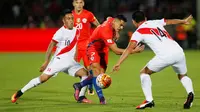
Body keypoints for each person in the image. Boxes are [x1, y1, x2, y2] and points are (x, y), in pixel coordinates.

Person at [112, 11, 194, 109]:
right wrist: (183, 21)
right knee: (182, 75)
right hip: (179, 51)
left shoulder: (138, 32)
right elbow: (170, 21)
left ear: (134, 22)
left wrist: (118, 63)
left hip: (165, 55)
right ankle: (190, 93)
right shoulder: (155, 22)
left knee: (144, 72)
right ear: (145, 18)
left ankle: (149, 100)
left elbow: (129, 49)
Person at [11, 9, 91, 103]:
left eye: (72, 18)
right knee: (43, 79)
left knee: (86, 74)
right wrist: (46, 61)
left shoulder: (77, 30)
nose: (70, 20)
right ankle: (19, 93)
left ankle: (81, 97)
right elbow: (50, 46)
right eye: (68, 18)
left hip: (70, 62)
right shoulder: (60, 32)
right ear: (64, 21)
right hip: (59, 61)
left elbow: (76, 43)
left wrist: (76, 56)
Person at [72, 15, 145, 104]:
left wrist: (116, 31)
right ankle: (102, 99)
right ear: (115, 22)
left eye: (123, 26)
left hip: (103, 50)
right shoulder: (105, 30)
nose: (121, 27)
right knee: (96, 71)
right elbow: (116, 51)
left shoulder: (111, 21)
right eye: (120, 25)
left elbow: (108, 18)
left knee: (101, 76)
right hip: (93, 47)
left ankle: (79, 85)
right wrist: (134, 51)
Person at [72, 0, 100, 96]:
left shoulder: (88, 14)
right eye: (77, 2)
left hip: (86, 45)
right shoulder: (70, 16)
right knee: (75, 68)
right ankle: (85, 84)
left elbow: (98, 26)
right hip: (74, 47)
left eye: (81, 2)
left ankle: (88, 86)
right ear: (73, 4)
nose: (79, 5)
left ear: (83, 4)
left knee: (89, 68)